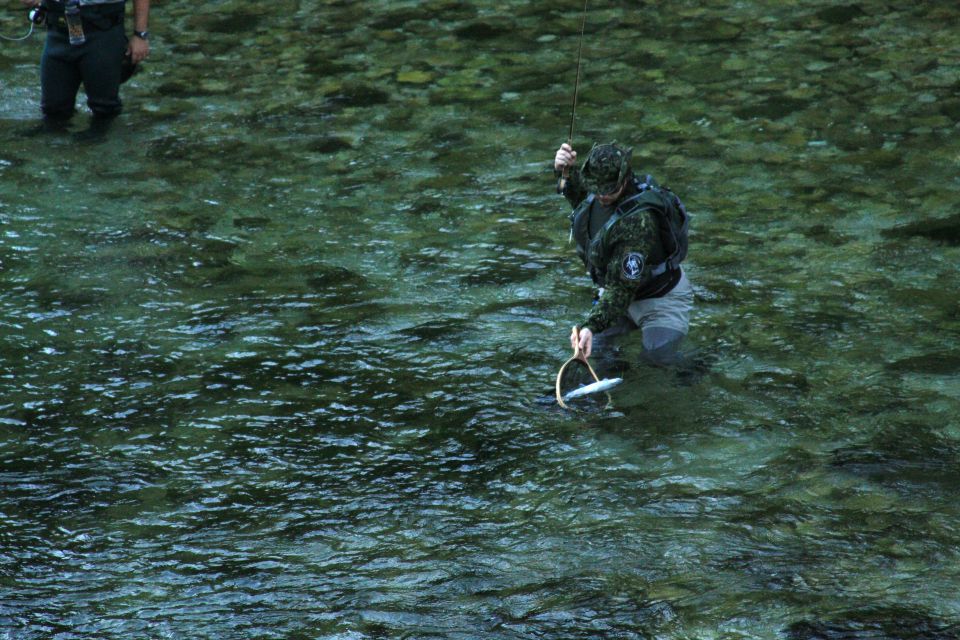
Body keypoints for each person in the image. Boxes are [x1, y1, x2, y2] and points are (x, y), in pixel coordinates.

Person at [553, 141, 694, 366]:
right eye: (595, 190)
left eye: (607, 191)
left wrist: (590, 325)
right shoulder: (600, 192)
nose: (601, 197)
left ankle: (696, 367)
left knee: (656, 360)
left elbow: (621, 288)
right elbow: (581, 201)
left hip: (660, 299)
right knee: (596, 354)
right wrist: (564, 171)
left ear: (624, 179)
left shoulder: (638, 222)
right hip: (617, 295)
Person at [19, 0, 150, 121]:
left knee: (104, 109)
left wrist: (140, 35)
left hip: (103, 31)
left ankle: (102, 144)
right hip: (59, 30)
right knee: (53, 109)